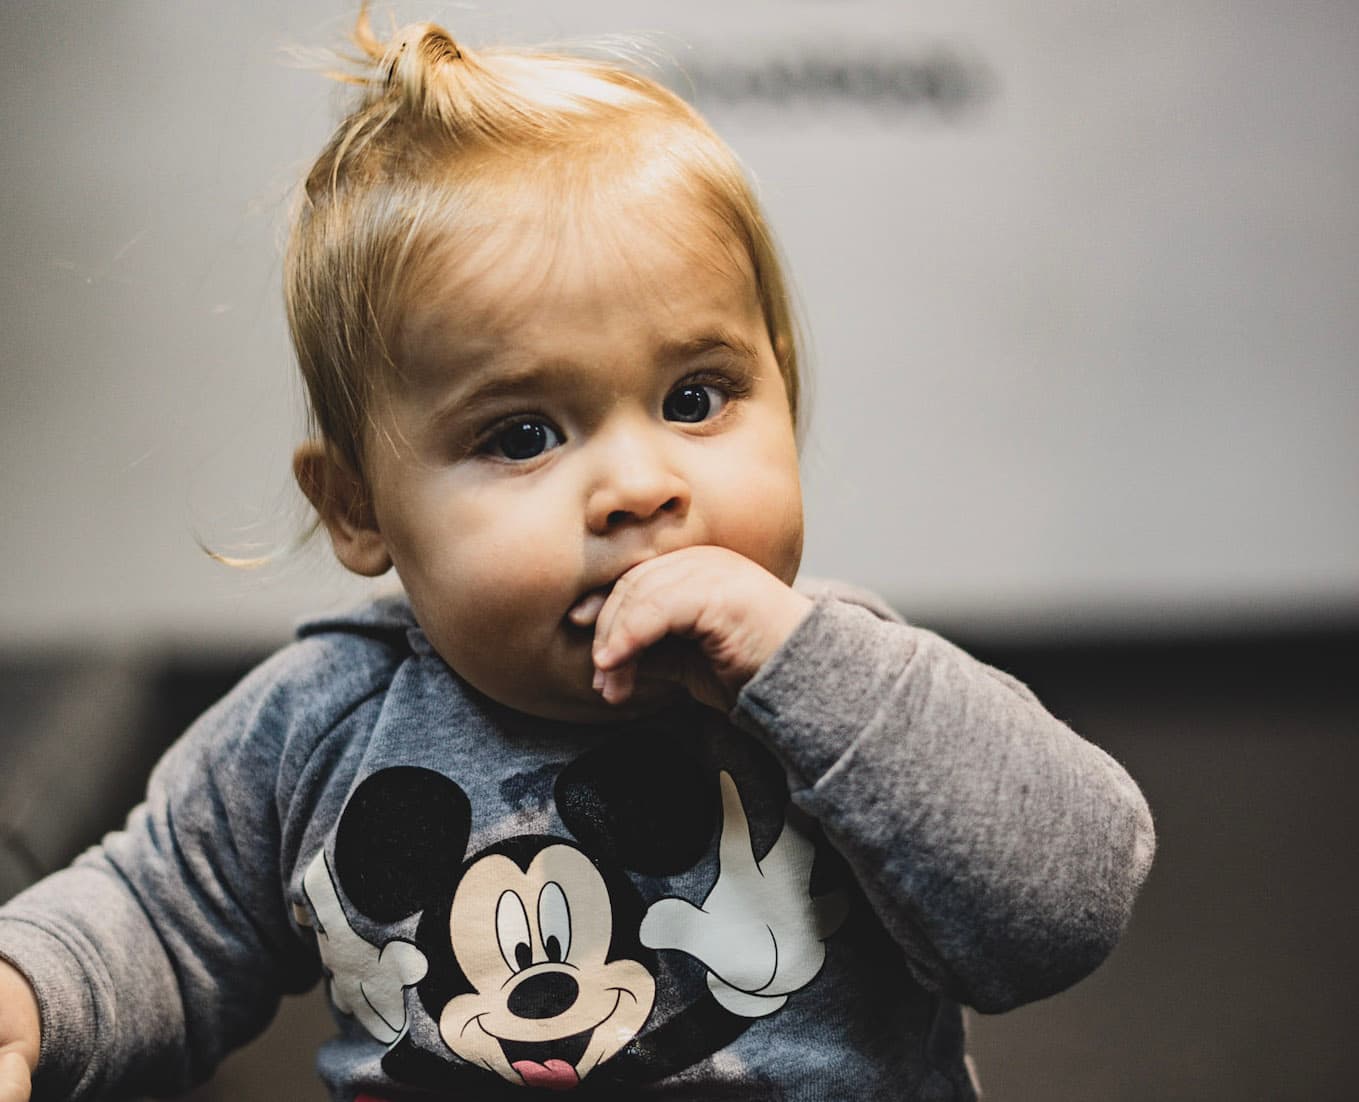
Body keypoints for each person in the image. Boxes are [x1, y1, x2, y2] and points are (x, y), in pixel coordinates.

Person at [0, 10, 1155, 1101]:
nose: (641, 486)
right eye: (522, 435)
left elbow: (1065, 907)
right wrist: (26, 994)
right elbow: (158, 914)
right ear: (359, 509)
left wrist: (803, 669)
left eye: (696, 397)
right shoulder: (316, 728)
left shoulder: (845, 689)